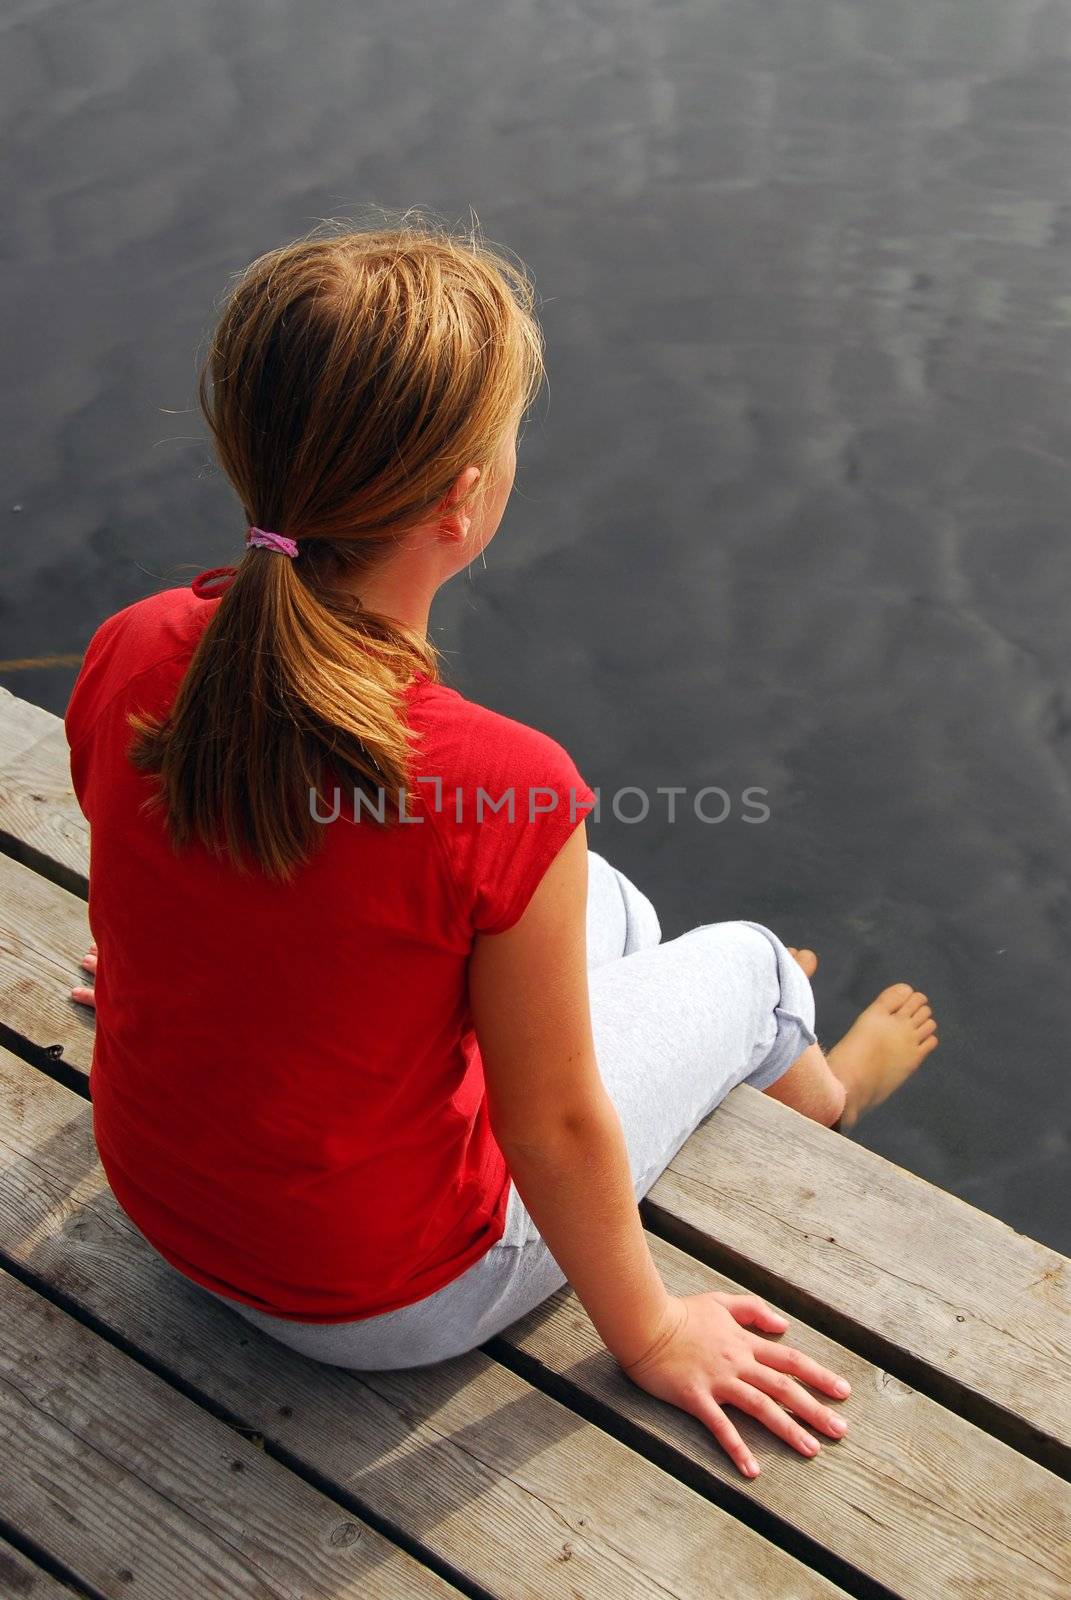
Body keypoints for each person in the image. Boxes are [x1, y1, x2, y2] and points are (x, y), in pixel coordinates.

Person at [65, 218, 938, 1482]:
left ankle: (695, 994)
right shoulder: (504, 785)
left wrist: (175, 990)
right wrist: (650, 1332)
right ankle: (817, 1079)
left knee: (610, 906)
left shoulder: (134, 642)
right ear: (464, 501)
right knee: (742, 957)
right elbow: (557, 1132)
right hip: (381, 1294)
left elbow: (157, 867)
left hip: (165, 1197)